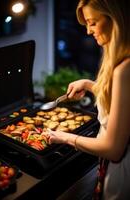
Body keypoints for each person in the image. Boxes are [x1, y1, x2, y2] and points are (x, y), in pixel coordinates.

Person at [42, 0, 130, 199]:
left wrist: (64, 137)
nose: (88, 31)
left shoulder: (124, 70)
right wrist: (90, 85)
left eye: (93, 22)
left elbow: (113, 149)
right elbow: (123, 104)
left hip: (123, 175)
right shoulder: (122, 61)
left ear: (115, 19)